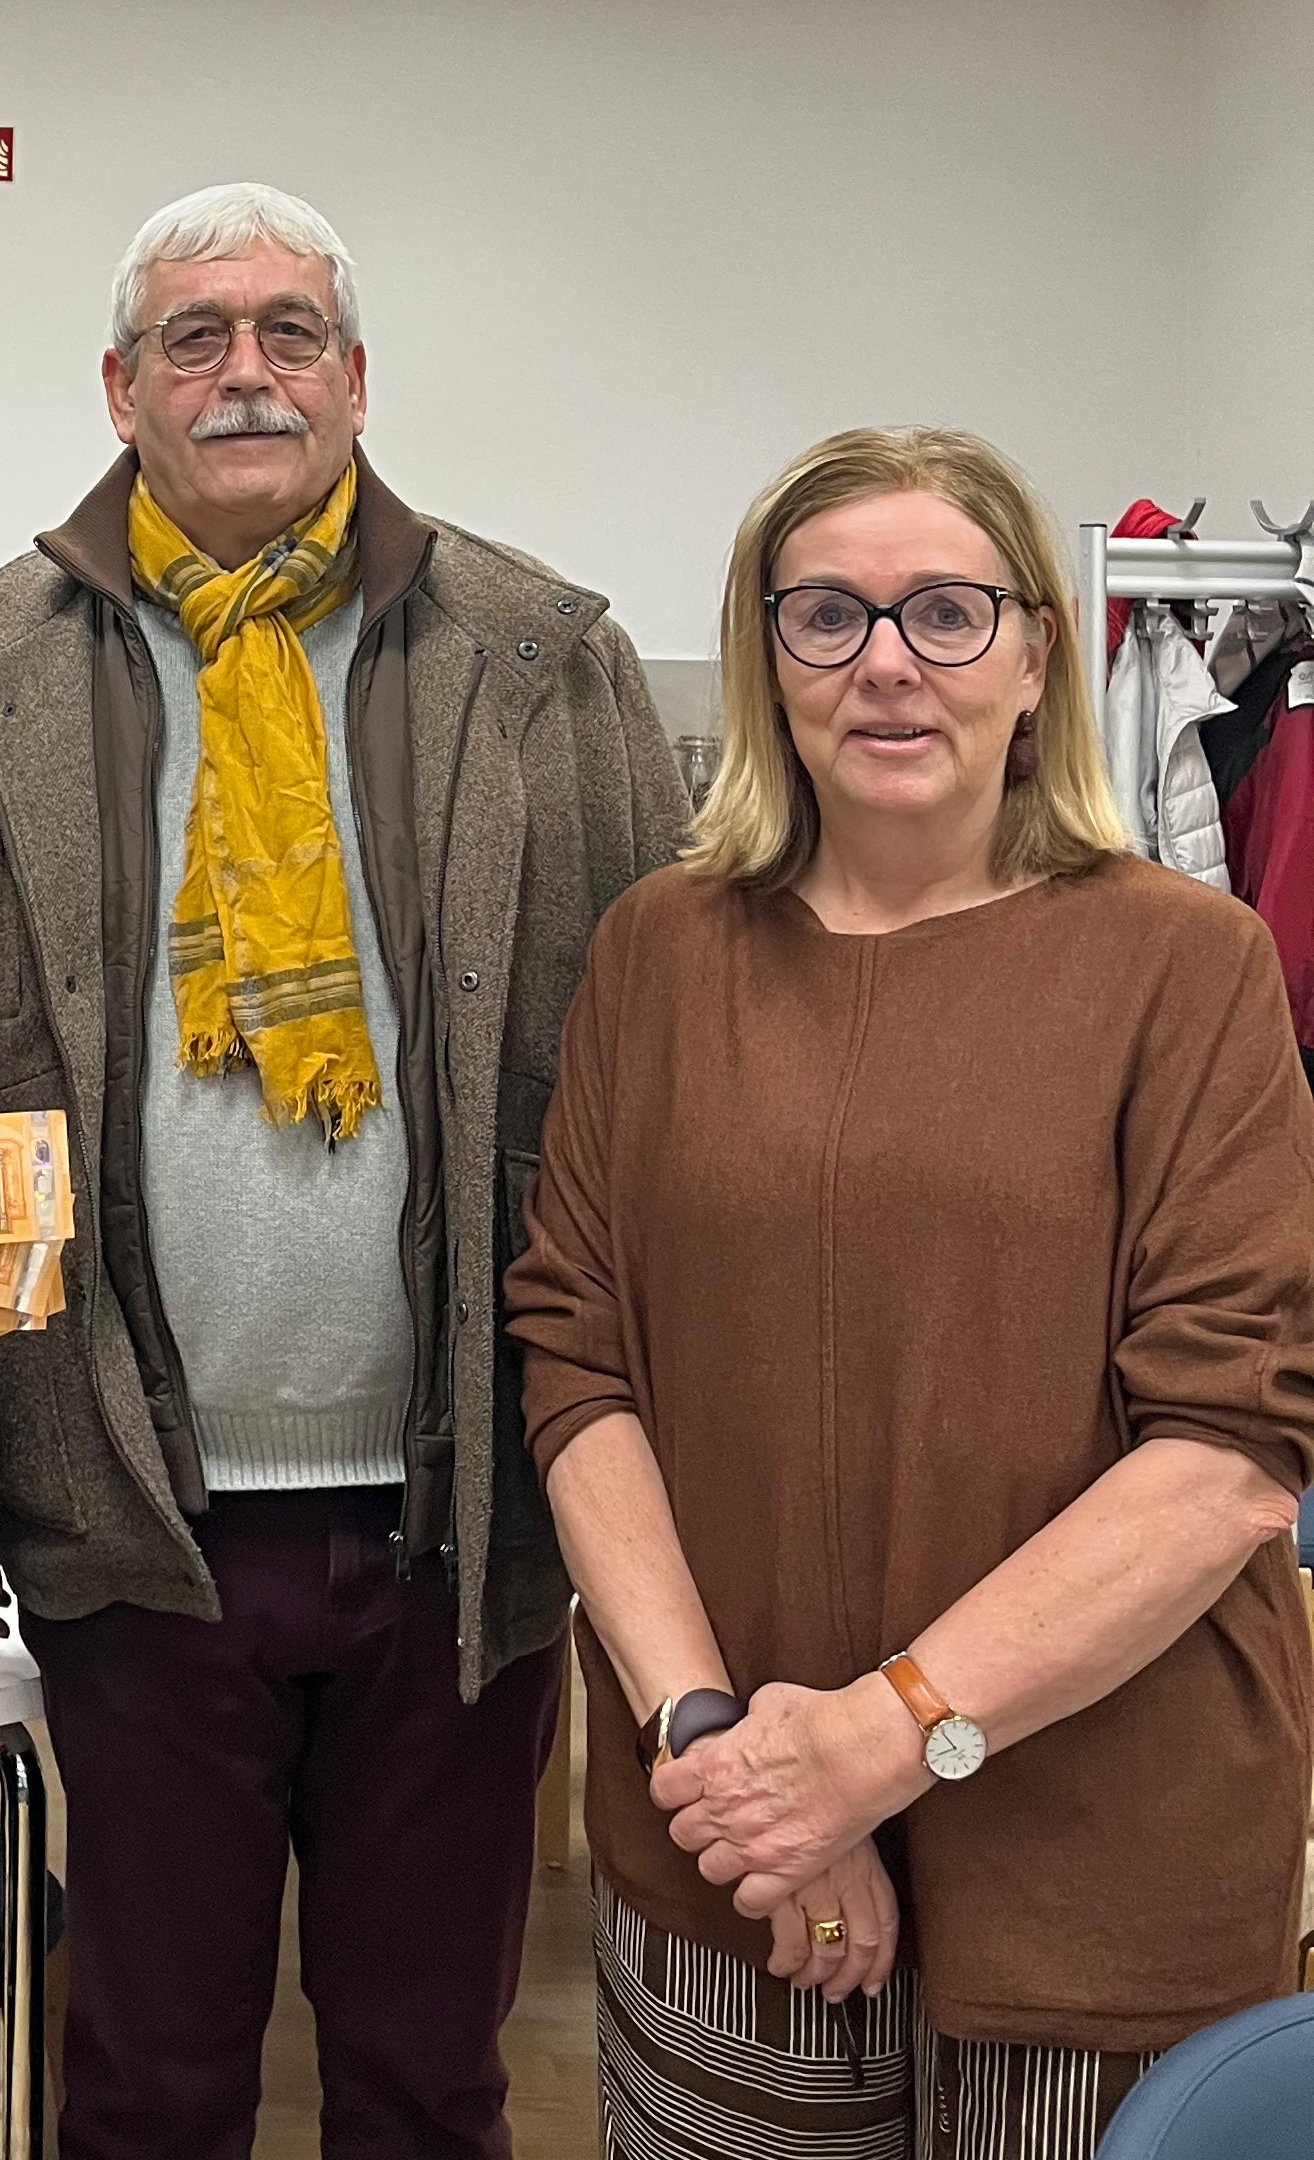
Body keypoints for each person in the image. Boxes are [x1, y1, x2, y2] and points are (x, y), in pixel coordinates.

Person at [0, 181, 690, 2160]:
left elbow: (651, 1062)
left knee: (427, 2079)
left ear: (354, 376)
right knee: (152, 2082)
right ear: (120, 386)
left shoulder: (542, 654)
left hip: (465, 1509)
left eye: (288, 332)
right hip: (129, 1516)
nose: (246, 370)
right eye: (196, 335)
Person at [507, 424, 1314, 2159]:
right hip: (724, 1840)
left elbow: (1233, 1448)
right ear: (766, 657)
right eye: (828, 615)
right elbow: (577, 1366)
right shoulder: (656, 952)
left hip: (1107, 1862)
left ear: (1036, 655)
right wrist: (729, 1755)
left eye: (947, 612)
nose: (887, 661)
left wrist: (882, 1746)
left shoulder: (1189, 969)